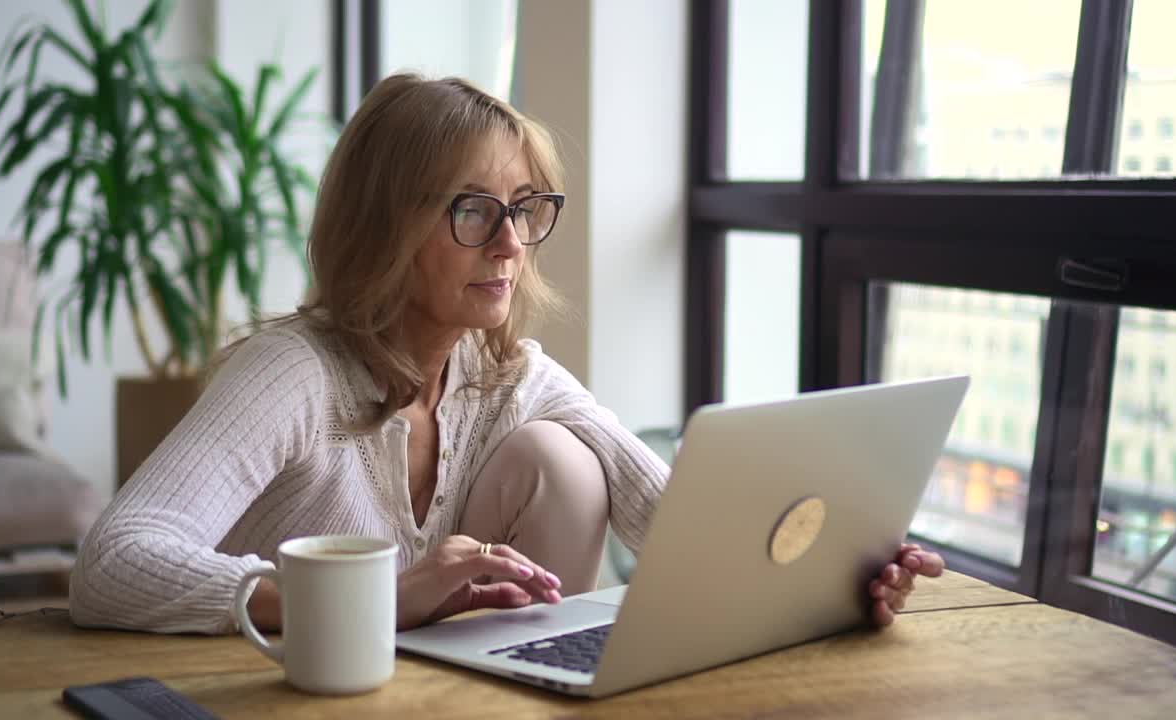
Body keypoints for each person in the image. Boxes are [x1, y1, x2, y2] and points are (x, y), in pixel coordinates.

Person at [69, 74, 942, 635]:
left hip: (430, 695)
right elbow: (111, 565)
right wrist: (374, 595)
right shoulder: (294, 374)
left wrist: (844, 575)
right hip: (276, 696)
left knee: (567, 459)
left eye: (524, 207)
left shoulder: (504, 373)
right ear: (385, 228)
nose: (510, 243)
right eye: (472, 209)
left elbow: (677, 517)